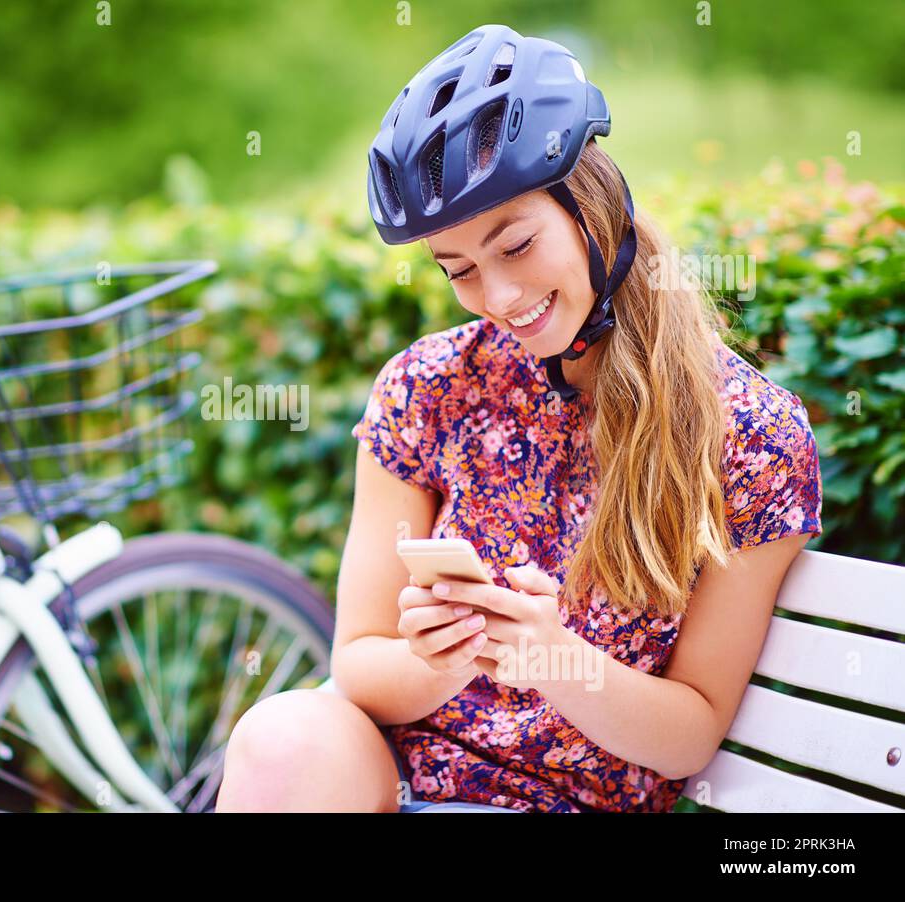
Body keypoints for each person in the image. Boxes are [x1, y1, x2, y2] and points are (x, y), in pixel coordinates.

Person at [216, 23, 823, 813]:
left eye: (517, 245)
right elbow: (359, 661)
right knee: (279, 737)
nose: (497, 298)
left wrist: (550, 659)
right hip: (393, 787)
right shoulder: (427, 387)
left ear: (594, 209)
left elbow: (692, 730)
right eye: (459, 270)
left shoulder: (749, 435)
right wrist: (447, 658)